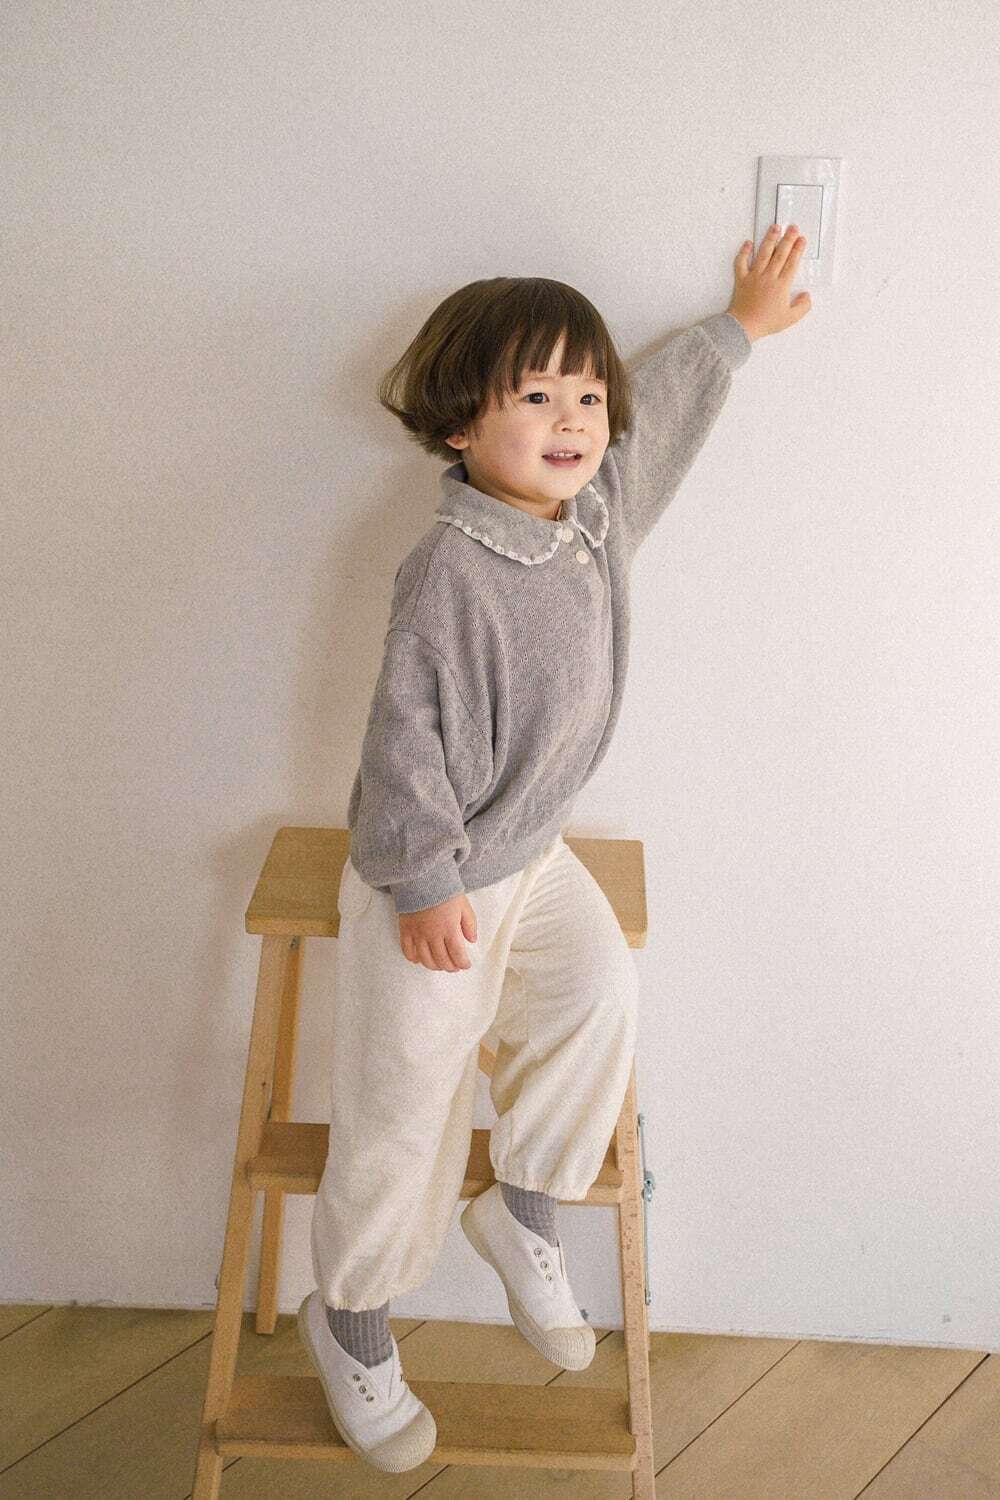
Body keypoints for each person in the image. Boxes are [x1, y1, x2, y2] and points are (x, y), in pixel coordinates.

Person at [297, 227, 812, 1472]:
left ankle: (521, 1204)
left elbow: (659, 415)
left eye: (584, 393)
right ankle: (352, 1321)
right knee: (403, 1107)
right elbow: (402, 739)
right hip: (435, 878)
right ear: (460, 425)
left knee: (598, 999)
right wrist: (421, 883)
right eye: (535, 397)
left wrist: (737, 328)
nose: (574, 419)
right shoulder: (450, 569)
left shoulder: (595, 515)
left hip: (535, 854)